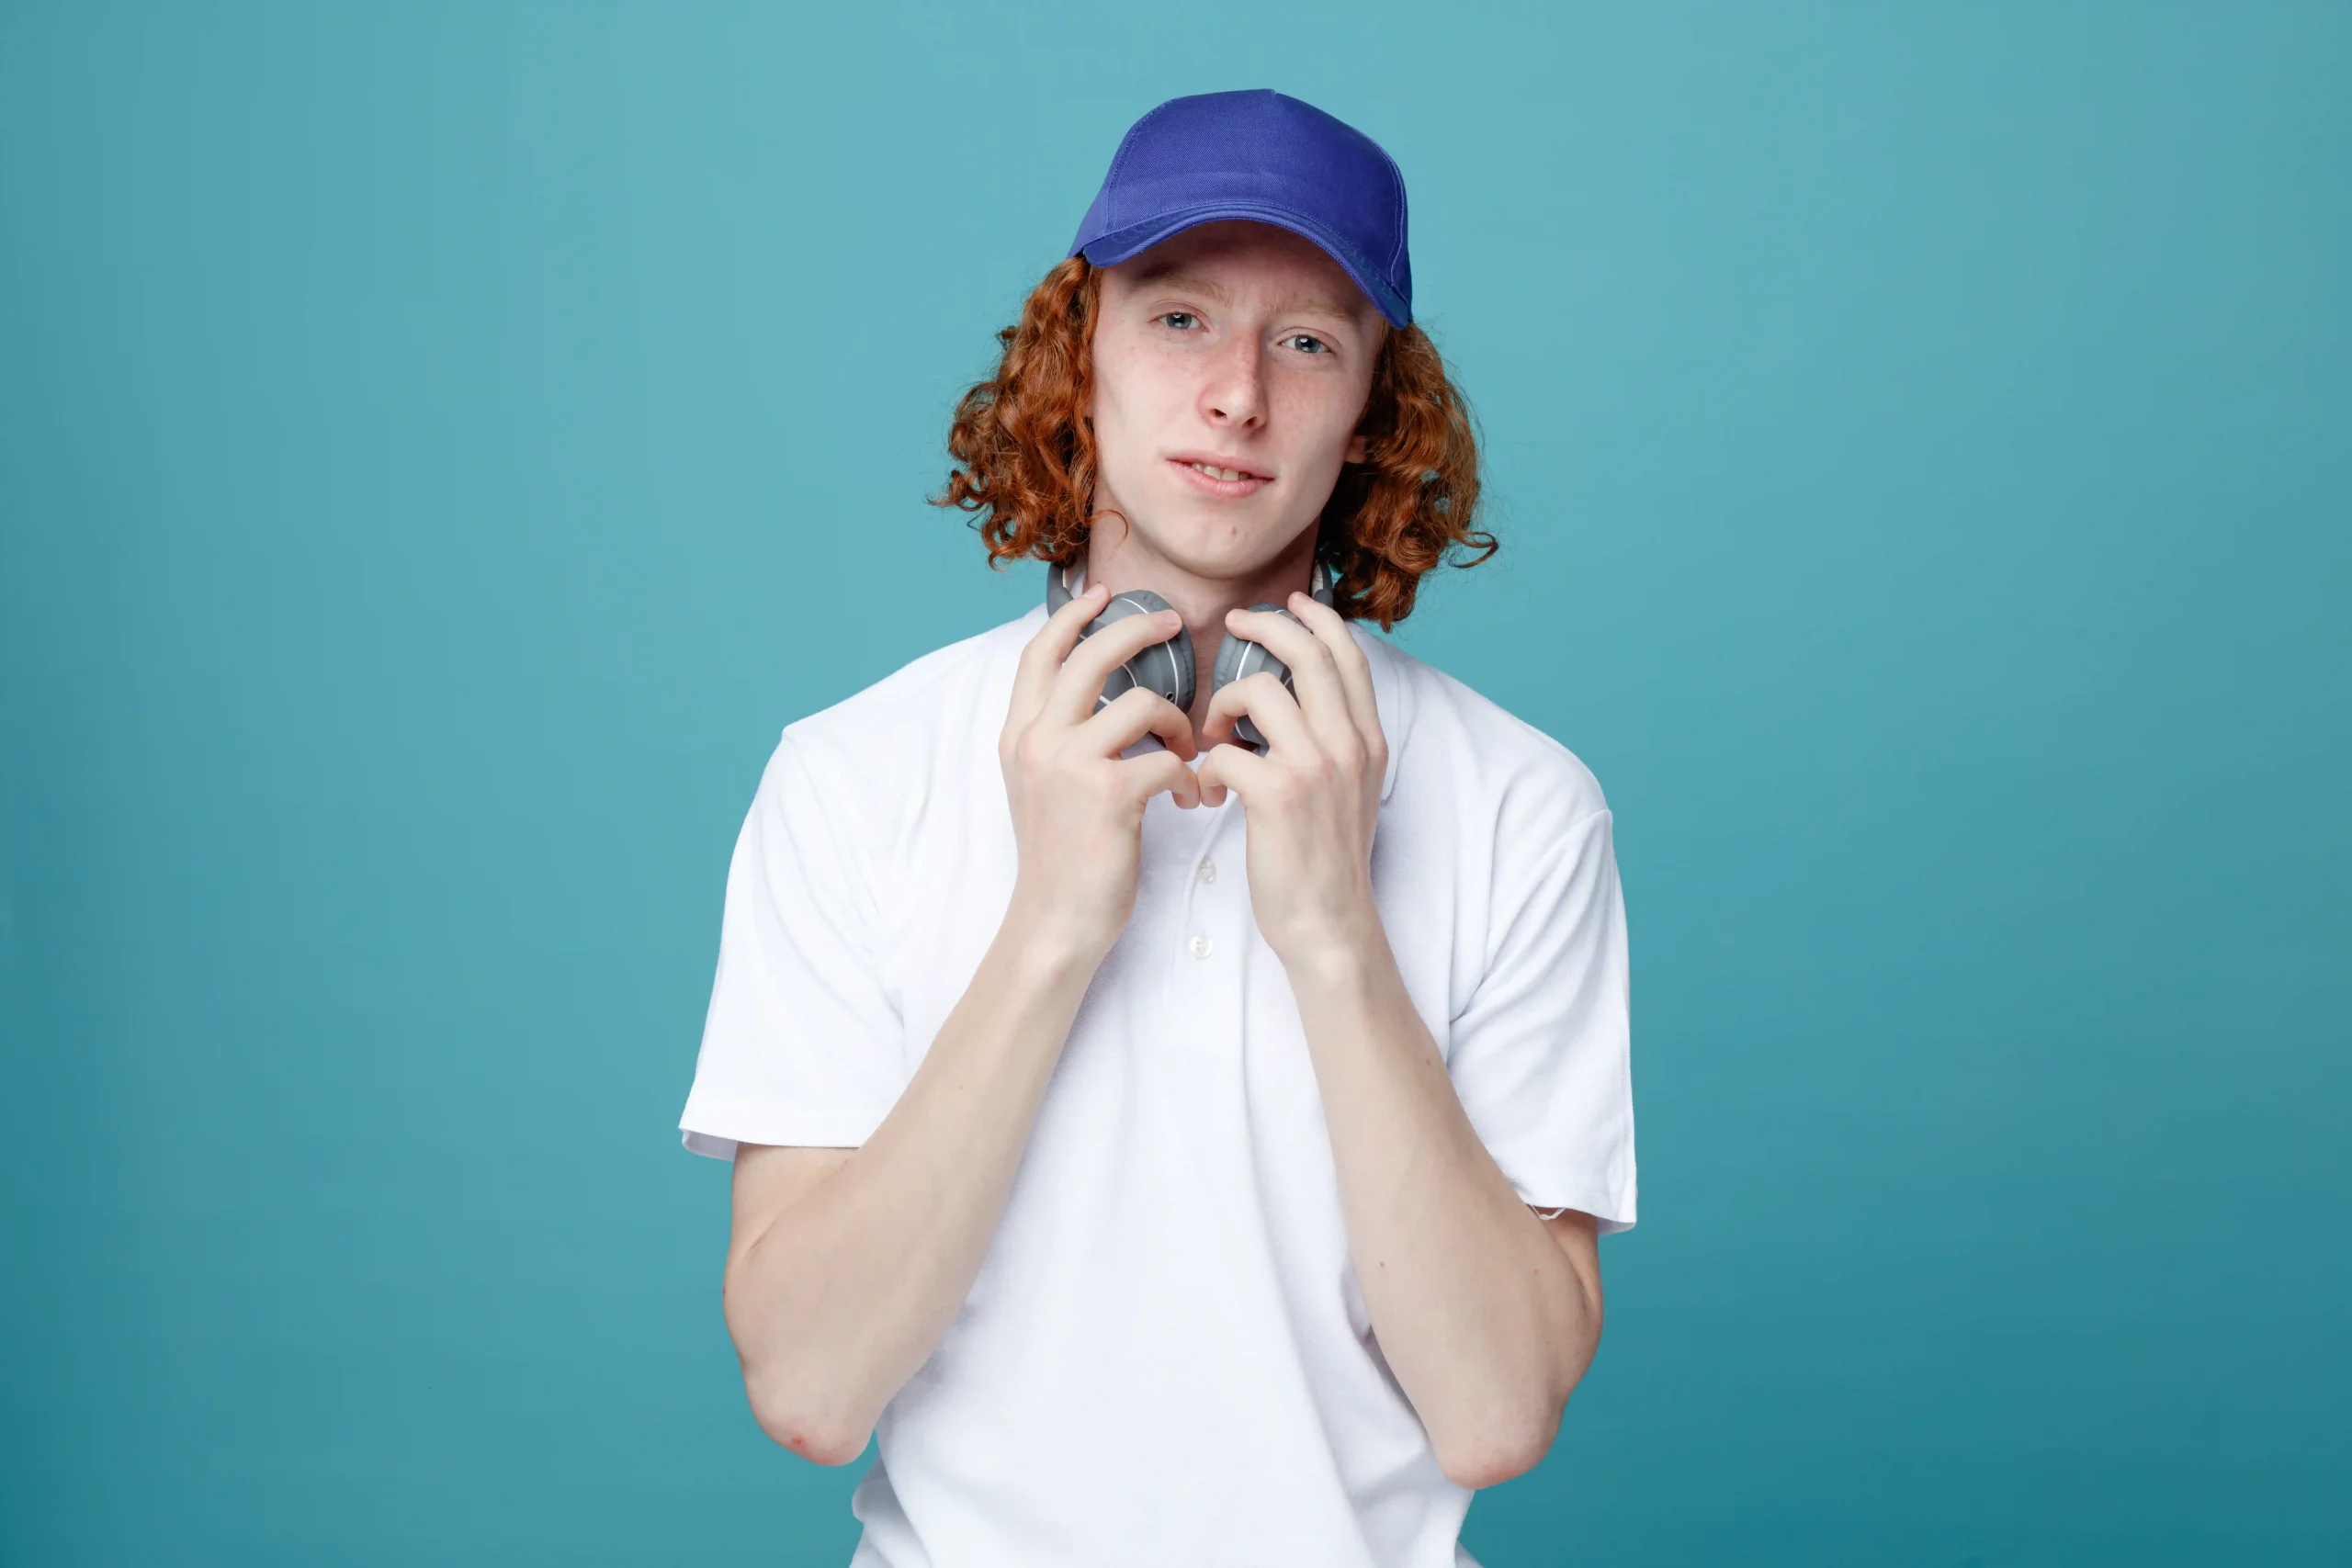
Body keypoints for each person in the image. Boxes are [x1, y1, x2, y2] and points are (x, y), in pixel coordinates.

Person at [678, 89, 1635, 1568]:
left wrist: (1332, 930)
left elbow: (1498, 1413)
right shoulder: (849, 775)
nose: (1238, 394)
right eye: (1179, 318)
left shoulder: (1524, 804)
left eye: (1307, 340)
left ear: (1377, 408)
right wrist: (1055, 919)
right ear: (1082, 358)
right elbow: (808, 1385)